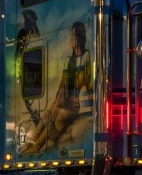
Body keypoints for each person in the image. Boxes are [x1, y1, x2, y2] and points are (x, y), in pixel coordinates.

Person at [22, 22, 91, 153]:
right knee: (47, 115)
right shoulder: (68, 60)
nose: (71, 39)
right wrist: (55, 105)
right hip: (62, 101)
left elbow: (87, 83)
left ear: (79, 37)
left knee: (58, 117)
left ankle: (36, 147)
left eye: (73, 36)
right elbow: (61, 87)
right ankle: (31, 143)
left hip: (72, 106)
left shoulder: (85, 57)